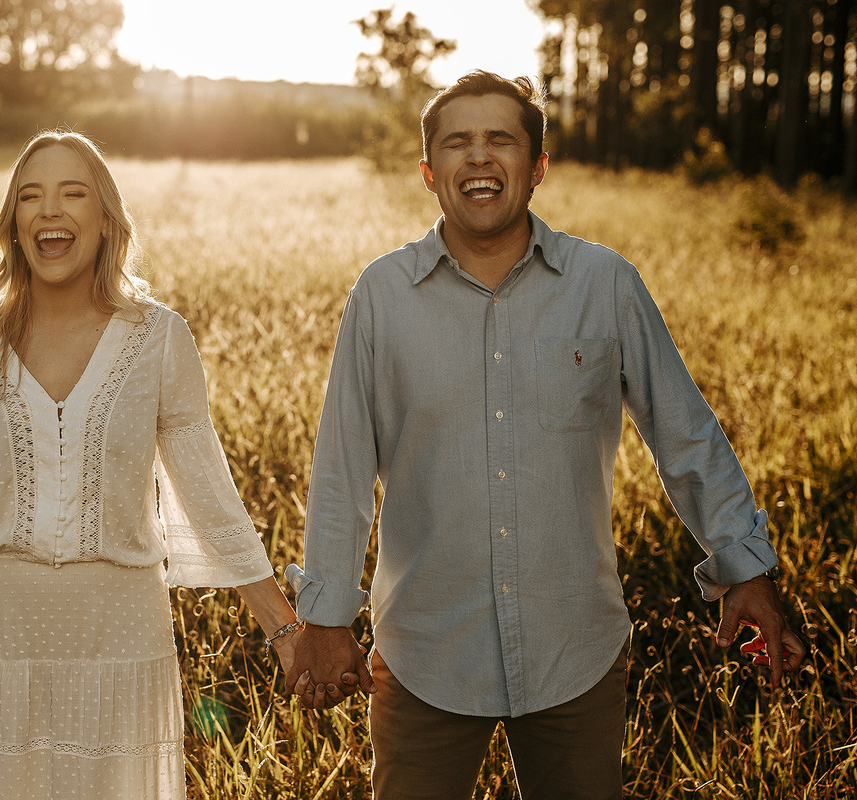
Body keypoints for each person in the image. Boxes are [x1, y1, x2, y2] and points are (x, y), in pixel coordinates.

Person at [285, 71, 806, 799]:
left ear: (537, 167)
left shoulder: (606, 284)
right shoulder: (381, 297)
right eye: (458, 142)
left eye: (501, 139)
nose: (479, 157)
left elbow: (684, 434)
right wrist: (326, 616)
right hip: (423, 653)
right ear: (430, 173)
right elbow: (341, 468)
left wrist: (744, 569)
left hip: (575, 652)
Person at [0, 129, 305, 799]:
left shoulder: (159, 337)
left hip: (122, 638)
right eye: (30, 196)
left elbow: (210, 497)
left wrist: (286, 631)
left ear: (104, 218)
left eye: (72, 193)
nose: (49, 211)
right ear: (14, 224)